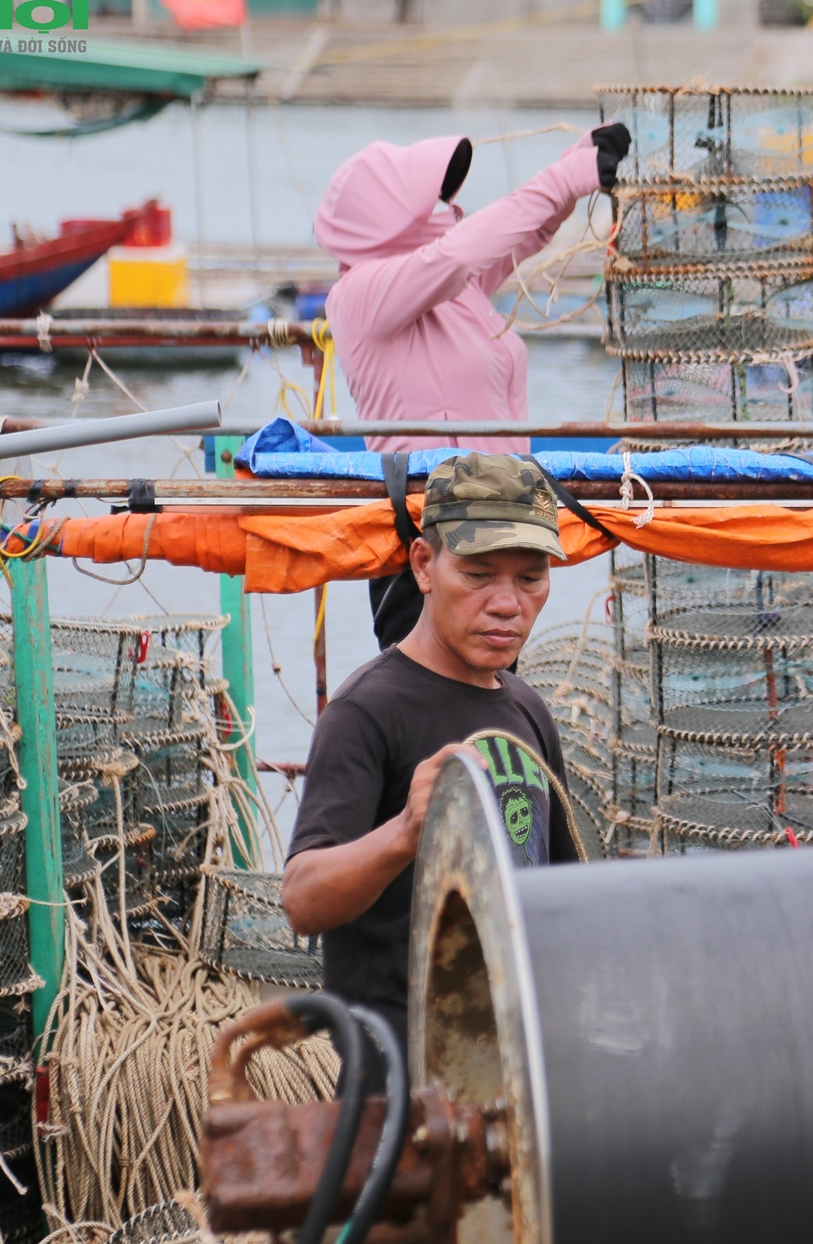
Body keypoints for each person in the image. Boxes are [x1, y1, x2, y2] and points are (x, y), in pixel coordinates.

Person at [281, 453, 582, 1033]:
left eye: (530, 577)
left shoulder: (526, 708)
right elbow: (302, 900)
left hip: (515, 1058)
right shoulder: (367, 710)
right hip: (398, 1076)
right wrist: (405, 833)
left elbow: (560, 888)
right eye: (477, 574)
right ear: (424, 565)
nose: (506, 603)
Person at [314, 123, 630, 648]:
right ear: (381, 218)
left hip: (501, 524)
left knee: (490, 706)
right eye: (424, 199)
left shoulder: (447, 286)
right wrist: (564, 177)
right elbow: (459, 253)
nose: (441, 205)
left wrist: (579, 167)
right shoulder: (361, 294)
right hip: (428, 537)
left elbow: (516, 236)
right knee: (430, 711)